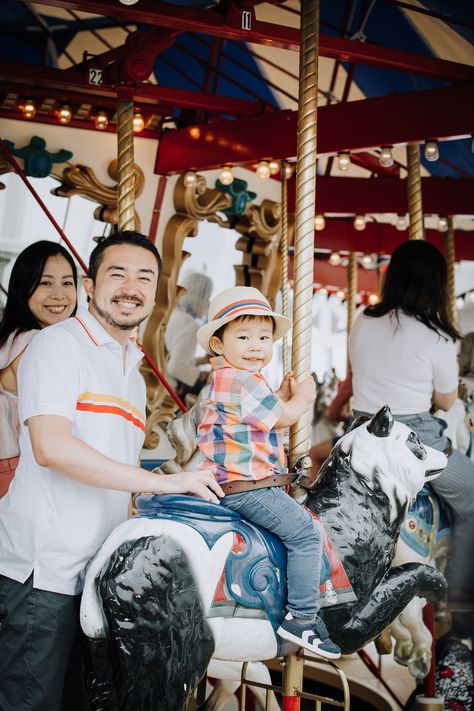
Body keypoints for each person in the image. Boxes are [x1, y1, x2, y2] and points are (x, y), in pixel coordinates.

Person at [0, 230, 223, 711]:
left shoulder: (129, 368)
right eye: (116, 273)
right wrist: (164, 482)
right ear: (90, 283)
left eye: (144, 277)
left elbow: (119, 478)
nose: (131, 287)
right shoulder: (57, 346)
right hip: (47, 569)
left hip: (97, 573)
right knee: (31, 701)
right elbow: (52, 448)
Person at [195, 286, 341, 659]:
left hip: (239, 482)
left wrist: (280, 393)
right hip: (252, 488)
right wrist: (302, 398)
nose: (256, 345)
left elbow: (261, 417)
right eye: (243, 337)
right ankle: (303, 618)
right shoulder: (242, 380)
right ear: (217, 343)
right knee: (307, 534)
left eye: (263, 337)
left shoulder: (234, 379)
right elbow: (285, 417)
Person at [349, 240, 474, 604]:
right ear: (435, 284)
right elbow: (447, 400)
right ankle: (460, 595)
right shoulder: (438, 336)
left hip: (360, 432)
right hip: (412, 438)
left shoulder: (364, 319)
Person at [0, 240, 78, 497]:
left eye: (67, 282)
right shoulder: (37, 342)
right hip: (13, 468)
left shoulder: (13, 336)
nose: (59, 294)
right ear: (24, 287)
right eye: (46, 283)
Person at [164, 271, 213, 401]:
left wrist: (200, 361)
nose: (208, 304)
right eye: (207, 298)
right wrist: (202, 375)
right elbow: (176, 367)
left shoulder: (174, 314)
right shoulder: (190, 326)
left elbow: (173, 357)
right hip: (166, 394)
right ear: (197, 297)